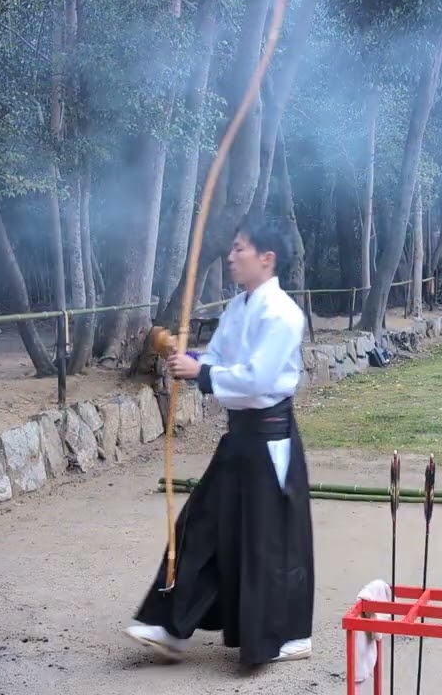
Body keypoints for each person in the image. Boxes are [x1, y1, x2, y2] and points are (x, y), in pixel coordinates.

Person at [126, 218, 314, 668]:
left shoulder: (284, 313)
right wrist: (190, 360)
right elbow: (223, 359)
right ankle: (169, 624)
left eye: (239, 249)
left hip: (271, 440)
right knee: (201, 524)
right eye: (231, 249)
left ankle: (288, 634)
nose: (230, 257)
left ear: (266, 259)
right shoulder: (239, 307)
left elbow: (259, 379)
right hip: (240, 439)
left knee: (268, 542)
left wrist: (204, 374)